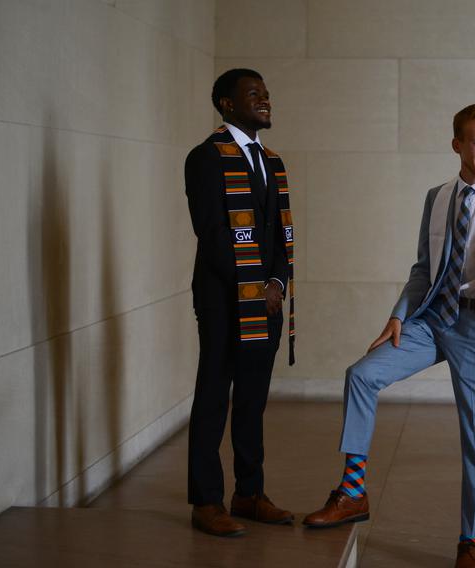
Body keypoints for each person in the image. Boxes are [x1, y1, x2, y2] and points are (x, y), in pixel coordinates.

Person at [302, 104, 475, 567]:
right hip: (433, 318)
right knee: (361, 375)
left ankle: (470, 540)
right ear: (457, 143)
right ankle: (353, 492)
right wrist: (399, 315)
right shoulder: (437, 198)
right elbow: (424, 268)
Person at [185, 68, 297, 537]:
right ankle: (207, 501)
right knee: (214, 397)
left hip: (266, 301)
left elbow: (276, 235)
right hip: (222, 299)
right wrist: (255, 287)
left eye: (267, 93)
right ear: (227, 104)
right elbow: (212, 237)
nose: (265, 100)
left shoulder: (271, 161)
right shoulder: (206, 158)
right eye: (254, 94)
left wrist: (275, 282)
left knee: (252, 400)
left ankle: (249, 493)